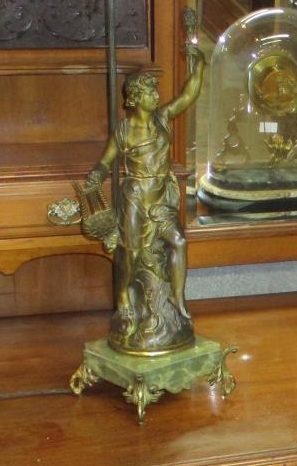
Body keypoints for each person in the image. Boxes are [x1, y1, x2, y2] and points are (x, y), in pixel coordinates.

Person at [81, 56, 205, 355]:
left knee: (178, 241)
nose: (156, 95)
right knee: (131, 255)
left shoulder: (162, 118)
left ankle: (177, 298)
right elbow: (105, 162)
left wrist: (199, 65)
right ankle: (123, 297)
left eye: (155, 90)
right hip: (136, 198)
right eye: (149, 92)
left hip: (161, 195)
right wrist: (95, 178)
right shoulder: (123, 132)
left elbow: (189, 95)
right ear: (135, 98)